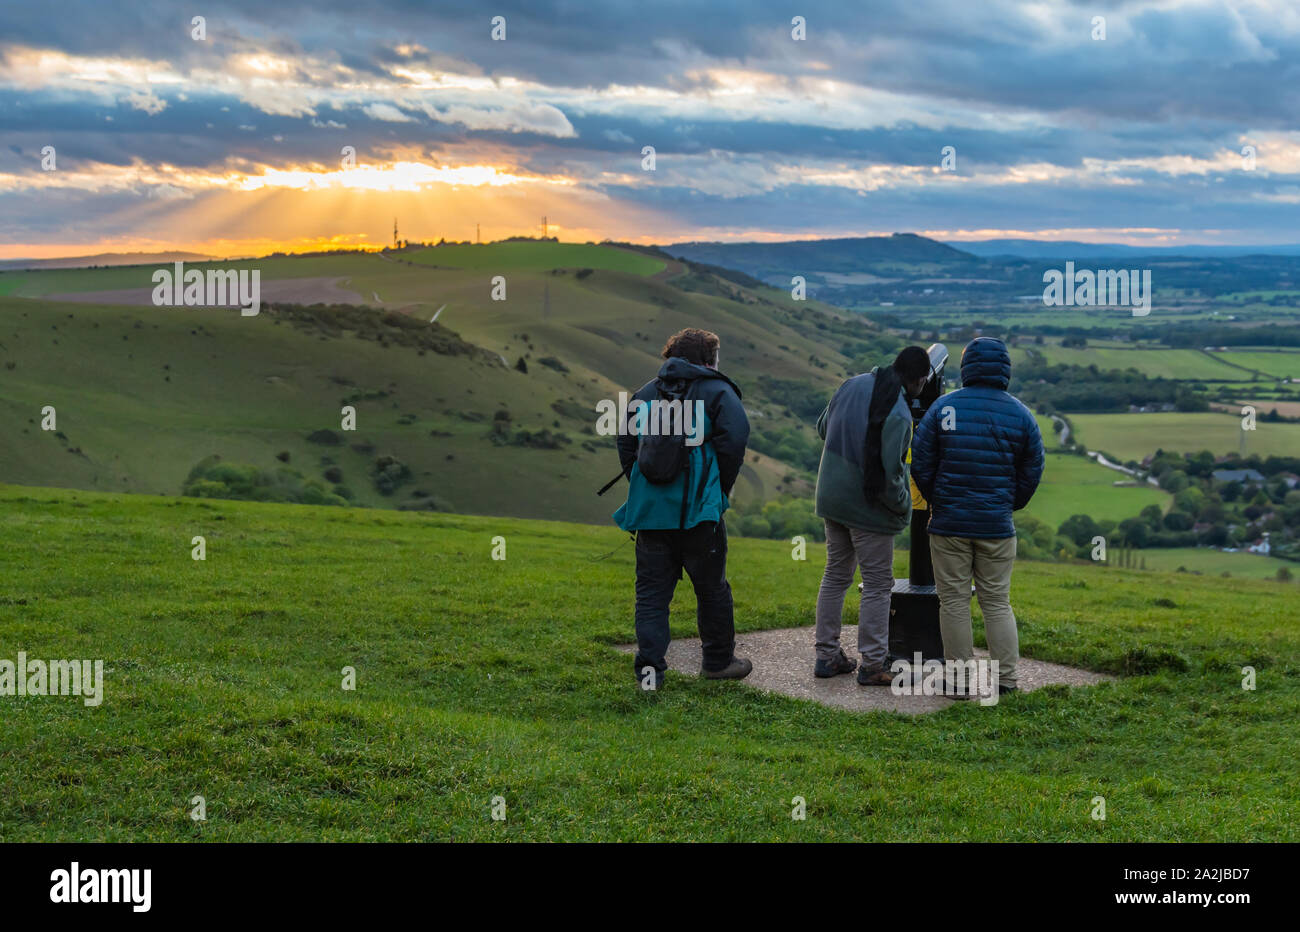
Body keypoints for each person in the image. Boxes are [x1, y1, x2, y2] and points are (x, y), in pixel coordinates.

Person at [614, 328, 752, 689]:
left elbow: (626, 444)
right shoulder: (719, 392)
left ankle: (649, 675)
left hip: (650, 515)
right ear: (708, 360)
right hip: (699, 514)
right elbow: (734, 443)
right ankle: (718, 662)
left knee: (651, 595)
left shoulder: (645, 393)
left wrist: (644, 488)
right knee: (712, 589)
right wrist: (717, 489)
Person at [910, 337, 1044, 696]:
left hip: (948, 524)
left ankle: (958, 682)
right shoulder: (1021, 415)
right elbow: (1032, 470)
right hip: (997, 526)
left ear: (966, 368)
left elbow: (920, 463)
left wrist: (940, 499)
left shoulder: (943, 408)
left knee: (953, 602)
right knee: (996, 602)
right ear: (1005, 370)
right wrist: (1006, 504)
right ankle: (1006, 680)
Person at [812, 346, 932, 685]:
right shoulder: (900, 416)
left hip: (832, 497)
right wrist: (904, 507)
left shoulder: (851, 384)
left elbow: (824, 427)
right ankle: (873, 664)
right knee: (879, 584)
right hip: (867, 509)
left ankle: (826, 656)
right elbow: (892, 476)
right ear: (920, 380)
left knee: (835, 576)